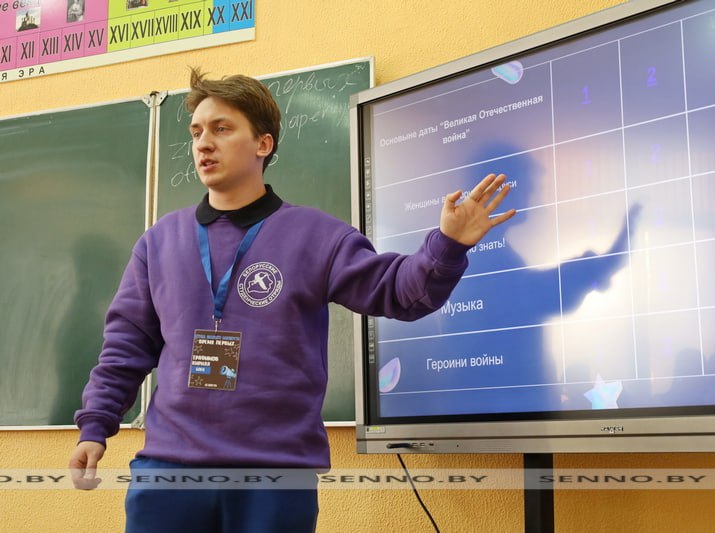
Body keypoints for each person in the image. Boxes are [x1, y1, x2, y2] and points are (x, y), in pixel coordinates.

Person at [68, 67, 515, 532]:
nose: (203, 144)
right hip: (170, 471)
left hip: (274, 474)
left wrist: (448, 245)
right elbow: (126, 346)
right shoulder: (159, 242)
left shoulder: (316, 235)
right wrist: (94, 426)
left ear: (263, 144)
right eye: (197, 132)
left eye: (221, 129)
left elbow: (401, 292)